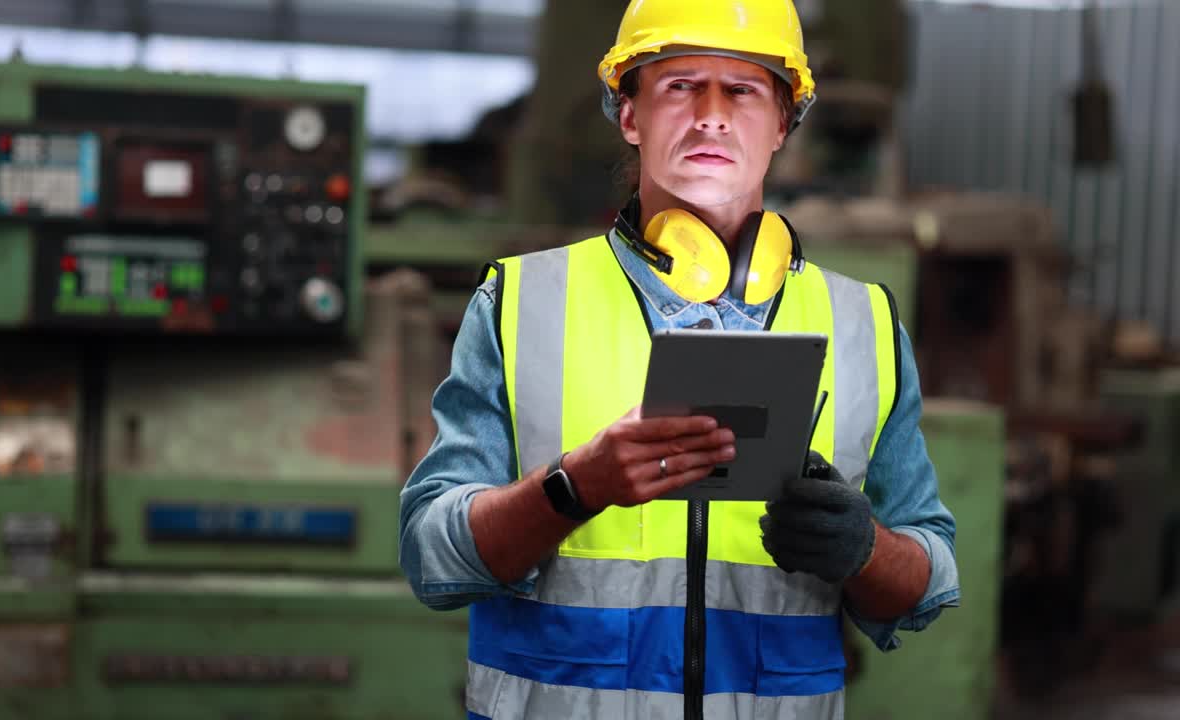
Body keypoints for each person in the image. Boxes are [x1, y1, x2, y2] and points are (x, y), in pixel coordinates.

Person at [399, 1, 959, 718]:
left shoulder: (863, 324)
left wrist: (863, 547)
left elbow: (930, 579)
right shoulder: (521, 304)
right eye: (679, 85)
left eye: (745, 90)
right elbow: (431, 560)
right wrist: (575, 487)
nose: (712, 115)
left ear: (784, 123)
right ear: (629, 116)